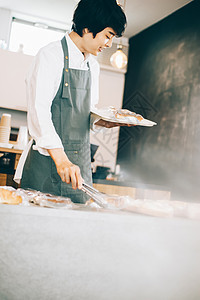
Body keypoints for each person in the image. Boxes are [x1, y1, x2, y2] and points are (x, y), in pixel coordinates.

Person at [14, 0, 127, 203]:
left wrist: (102, 122)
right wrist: (62, 161)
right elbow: (39, 112)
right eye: (108, 36)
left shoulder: (93, 65)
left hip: (78, 169)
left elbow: (83, 113)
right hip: (47, 163)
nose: (109, 44)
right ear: (87, 28)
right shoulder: (50, 56)